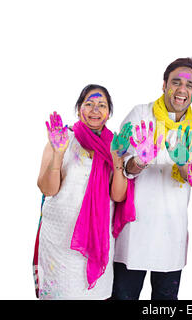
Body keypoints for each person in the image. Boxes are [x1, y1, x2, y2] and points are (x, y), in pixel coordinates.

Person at [111, 57, 192, 300]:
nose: (182, 90)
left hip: (171, 233)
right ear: (164, 84)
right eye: (176, 82)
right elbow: (120, 166)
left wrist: (184, 163)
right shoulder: (140, 114)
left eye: (190, 85)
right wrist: (140, 161)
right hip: (133, 232)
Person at [35, 84, 129, 299]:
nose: (95, 110)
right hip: (59, 241)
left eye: (101, 105)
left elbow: (118, 196)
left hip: (97, 240)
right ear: (79, 109)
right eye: (89, 104)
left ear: (109, 113)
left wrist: (118, 160)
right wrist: (58, 153)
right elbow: (47, 189)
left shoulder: (115, 144)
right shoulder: (61, 138)